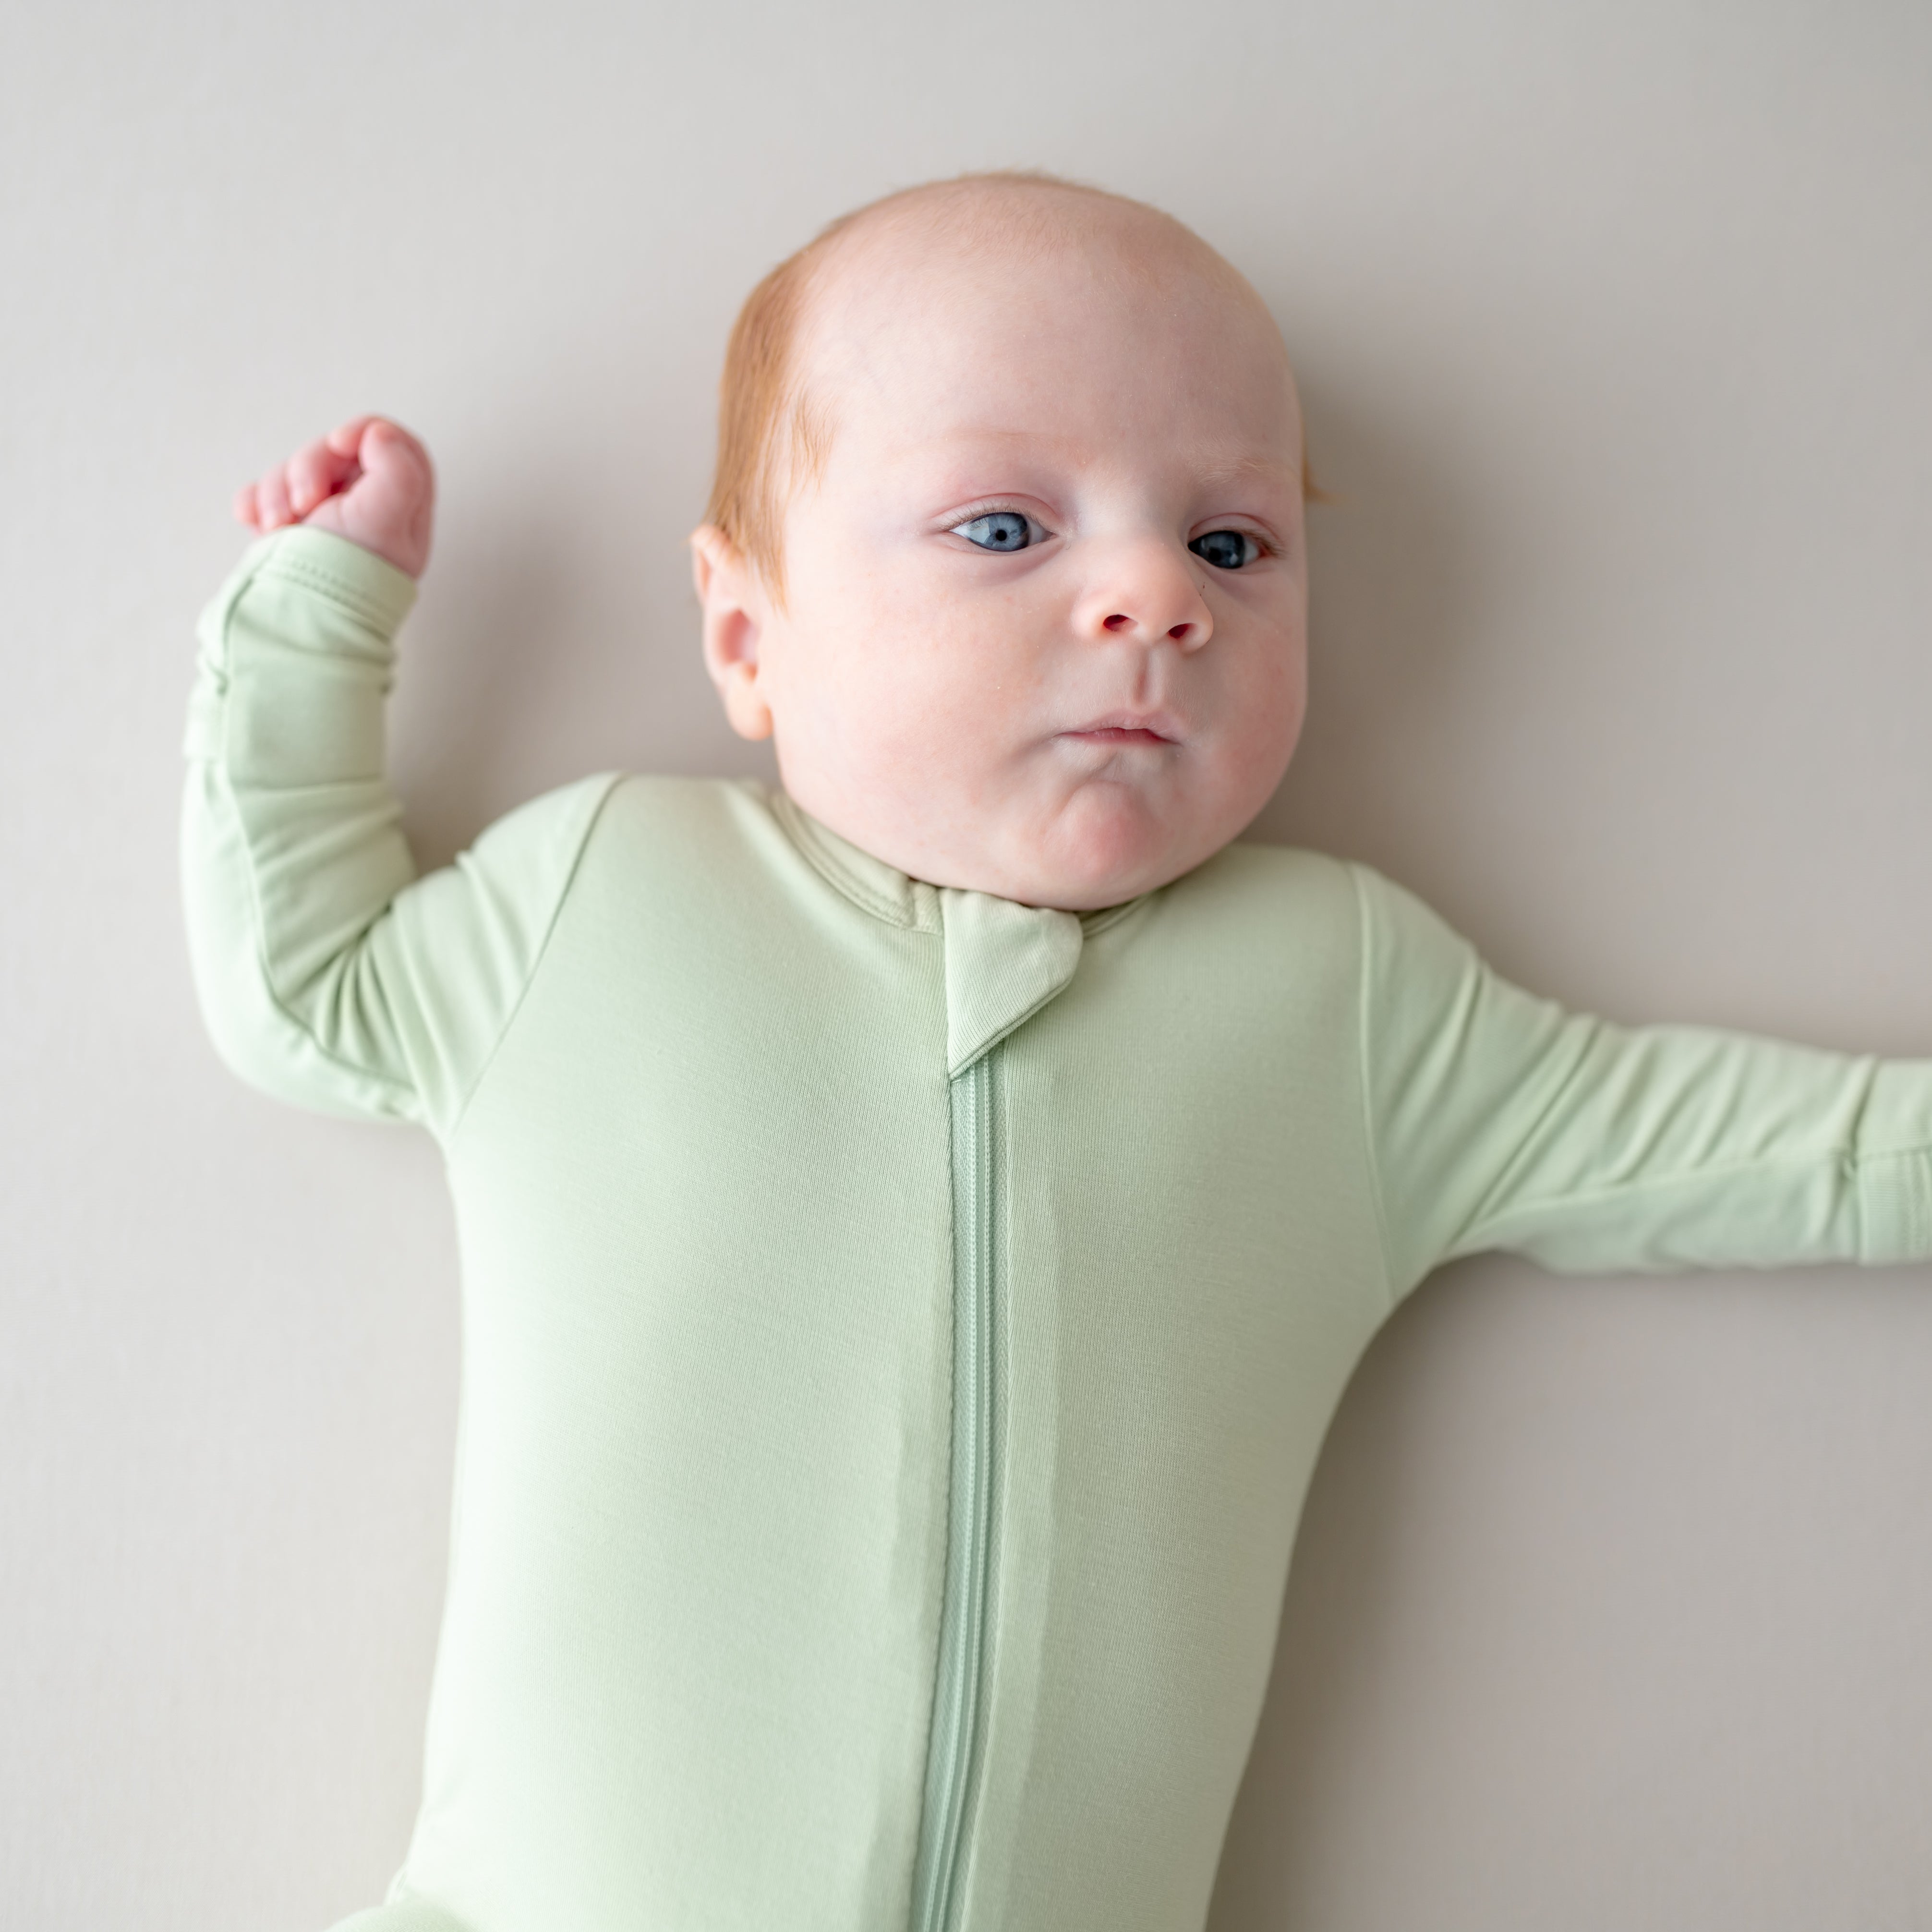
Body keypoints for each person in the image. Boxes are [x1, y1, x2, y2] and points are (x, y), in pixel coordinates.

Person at [184, 172, 1932, 1932]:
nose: (1155, 597)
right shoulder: (607, 898)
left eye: (1232, 544)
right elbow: (308, 983)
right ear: (745, 631)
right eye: (1007, 529)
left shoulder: (1339, 999)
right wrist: (320, 617)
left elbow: (1765, 1147)